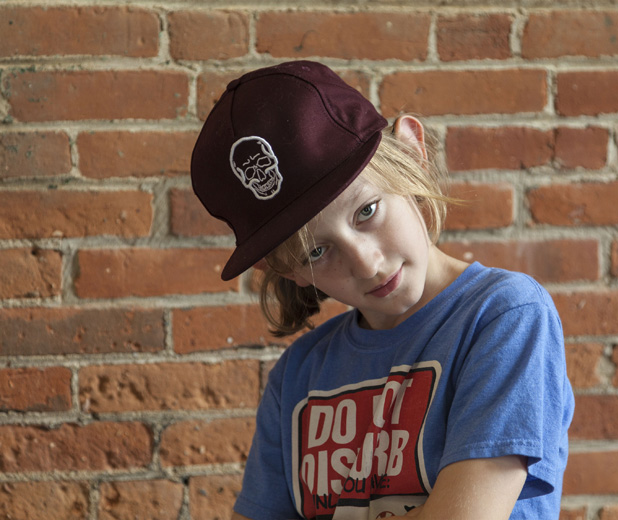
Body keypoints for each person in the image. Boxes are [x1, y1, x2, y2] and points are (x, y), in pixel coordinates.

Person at [191, 60, 574, 520]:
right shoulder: (297, 376)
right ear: (285, 269)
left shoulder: (503, 317)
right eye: (317, 252)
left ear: (411, 153)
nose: (367, 263)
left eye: (367, 211)